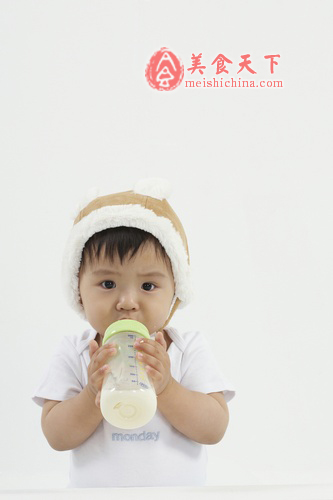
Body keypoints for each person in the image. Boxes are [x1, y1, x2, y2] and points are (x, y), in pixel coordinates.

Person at [32, 178, 235, 488]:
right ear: (79, 291)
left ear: (175, 291)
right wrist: (91, 394)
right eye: (108, 284)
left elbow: (214, 428)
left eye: (148, 286)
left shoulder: (186, 348)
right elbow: (56, 436)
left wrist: (167, 387)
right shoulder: (76, 352)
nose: (127, 302)